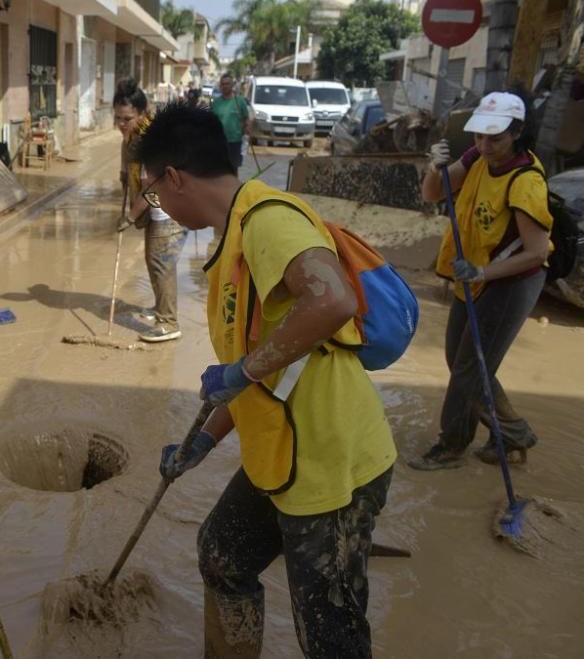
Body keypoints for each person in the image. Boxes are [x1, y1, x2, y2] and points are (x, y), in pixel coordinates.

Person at [136, 102, 395, 657]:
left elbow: (333, 299)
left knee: (329, 632)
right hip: (281, 453)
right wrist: (204, 438)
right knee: (222, 556)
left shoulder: (268, 220)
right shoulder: (232, 238)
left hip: (329, 463)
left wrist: (242, 369)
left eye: (153, 191)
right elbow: (267, 367)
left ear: (175, 178)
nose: (157, 203)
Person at [409, 91, 551, 470]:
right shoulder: (476, 158)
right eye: (479, 137)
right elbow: (432, 193)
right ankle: (513, 432)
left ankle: (452, 446)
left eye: (495, 139)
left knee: (470, 370)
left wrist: (483, 272)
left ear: (517, 132)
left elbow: (537, 252)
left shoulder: (524, 181)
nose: (485, 146)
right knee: (460, 361)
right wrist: (434, 166)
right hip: (473, 278)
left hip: (509, 284)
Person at [113, 78, 187, 343]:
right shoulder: (131, 138)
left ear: (142, 114)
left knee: (161, 262)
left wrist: (131, 216)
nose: (122, 124)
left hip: (171, 205)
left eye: (127, 118)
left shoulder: (151, 142)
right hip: (158, 204)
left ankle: (169, 322)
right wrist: (124, 175)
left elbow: (152, 191)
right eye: (118, 118)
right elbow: (130, 169)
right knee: (153, 258)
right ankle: (161, 310)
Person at [211, 72, 250, 171]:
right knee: (219, 171)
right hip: (219, 142)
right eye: (222, 84)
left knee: (233, 170)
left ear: (232, 85)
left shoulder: (240, 101)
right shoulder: (216, 103)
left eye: (227, 84)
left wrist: (246, 133)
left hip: (235, 142)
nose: (225, 86)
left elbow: (246, 119)